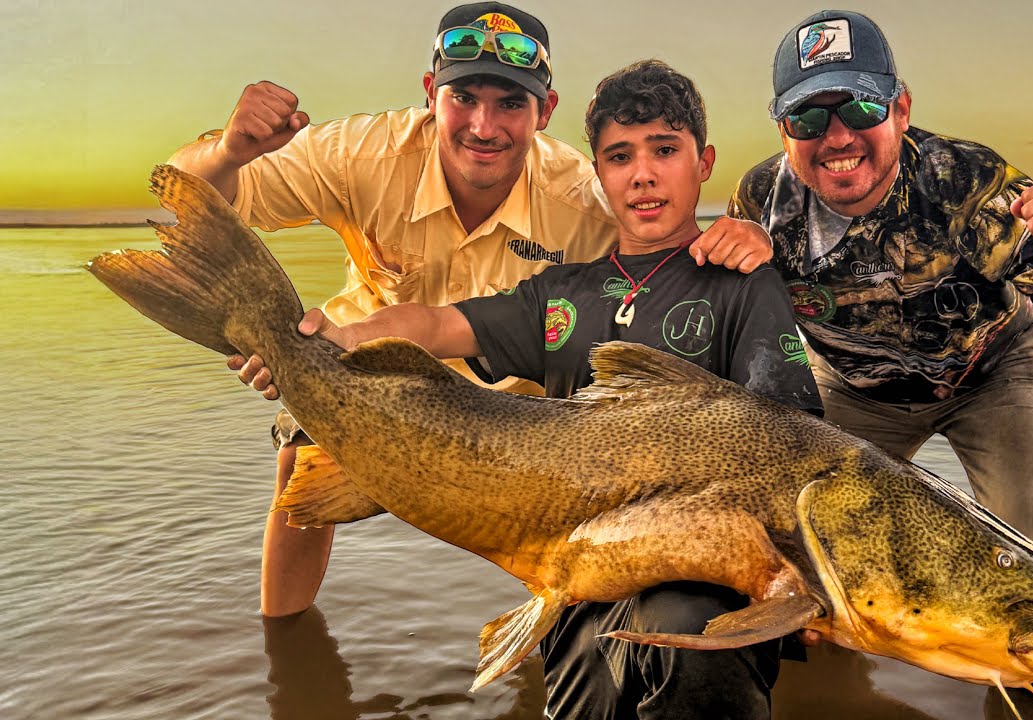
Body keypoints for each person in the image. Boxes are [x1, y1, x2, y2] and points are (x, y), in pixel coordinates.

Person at [237, 59, 821, 719]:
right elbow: (435, 323)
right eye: (620, 157)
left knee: (688, 634)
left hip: (705, 582)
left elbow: (795, 441)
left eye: (665, 150)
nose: (644, 174)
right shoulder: (559, 292)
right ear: (598, 175)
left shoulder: (745, 283)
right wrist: (335, 339)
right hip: (579, 579)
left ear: (703, 160)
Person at [167, 2, 773, 619]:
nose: (484, 127)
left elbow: (665, 251)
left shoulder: (584, 200)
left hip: (519, 398)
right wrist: (231, 154)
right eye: (465, 97)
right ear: (432, 93)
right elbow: (193, 198)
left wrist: (745, 239)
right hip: (361, 354)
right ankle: (283, 650)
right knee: (300, 463)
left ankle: (556, 638)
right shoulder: (362, 153)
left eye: (511, 103)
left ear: (545, 110)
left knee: (566, 509)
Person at [728, 10, 1033, 695]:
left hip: (998, 369)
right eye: (808, 120)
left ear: (901, 107)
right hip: (856, 387)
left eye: (860, 106)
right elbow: (742, 353)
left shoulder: (973, 190)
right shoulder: (760, 203)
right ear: (783, 132)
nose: (837, 137)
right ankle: (823, 690)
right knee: (788, 545)